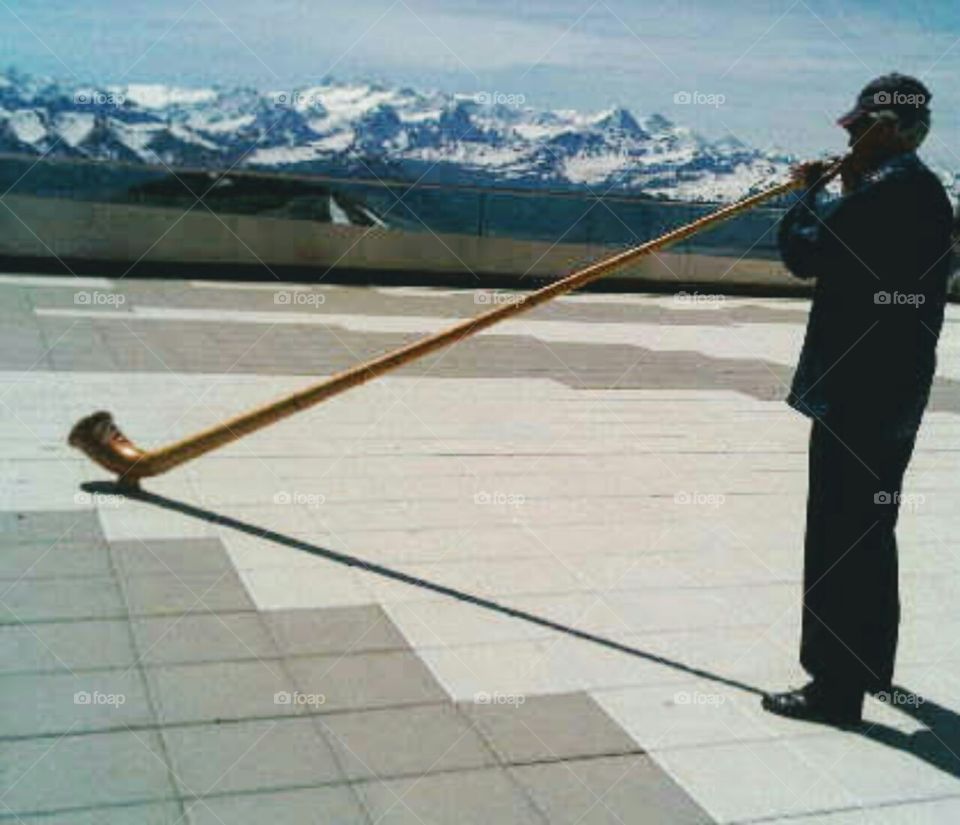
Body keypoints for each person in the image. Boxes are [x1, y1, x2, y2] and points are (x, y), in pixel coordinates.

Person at [762, 74, 955, 725]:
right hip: (893, 391)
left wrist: (808, 192)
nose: (844, 135)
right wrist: (841, 187)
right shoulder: (916, 192)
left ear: (891, 129)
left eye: (857, 127)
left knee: (838, 535)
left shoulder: (890, 193)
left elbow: (803, 253)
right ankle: (868, 665)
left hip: (855, 394)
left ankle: (834, 688)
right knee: (870, 531)